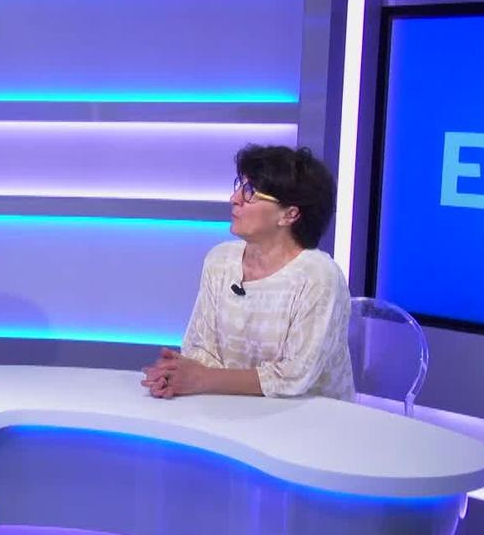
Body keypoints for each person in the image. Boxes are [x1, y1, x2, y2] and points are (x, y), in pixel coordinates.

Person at [142, 144, 353, 401]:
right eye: (239, 185)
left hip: (310, 415)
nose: (235, 198)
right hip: (231, 407)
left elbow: (294, 376)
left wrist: (202, 378)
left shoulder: (319, 277)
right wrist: (178, 374)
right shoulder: (221, 260)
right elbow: (200, 348)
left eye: (250, 192)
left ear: (290, 214)